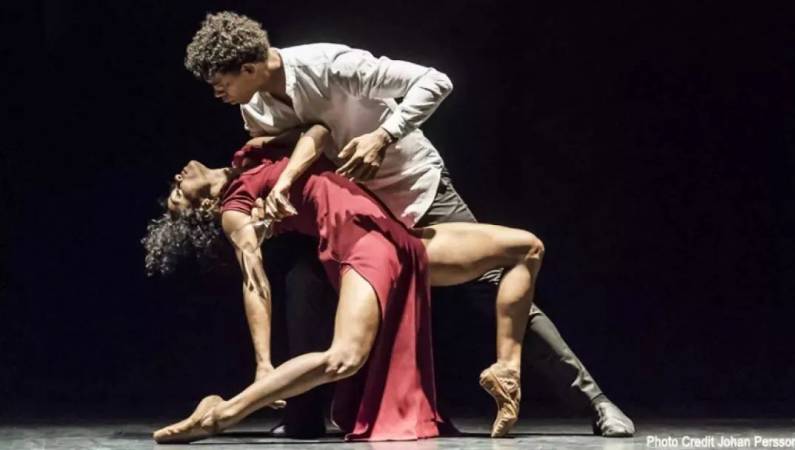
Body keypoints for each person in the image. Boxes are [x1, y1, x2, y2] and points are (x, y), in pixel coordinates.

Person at [183, 11, 634, 437]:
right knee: (305, 285)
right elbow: (301, 145)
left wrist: (383, 135)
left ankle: (594, 402)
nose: (216, 92)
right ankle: (302, 419)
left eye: (220, 82)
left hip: (415, 191)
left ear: (249, 68)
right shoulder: (255, 110)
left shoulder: (330, 65)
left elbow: (435, 80)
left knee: (496, 283)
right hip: (356, 219)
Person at [145, 126, 544, 443]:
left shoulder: (253, 153)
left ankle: (506, 370)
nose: (177, 178)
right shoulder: (235, 209)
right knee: (344, 357)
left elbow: (319, 131)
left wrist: (286, 172)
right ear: (206, 208)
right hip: (360, 243)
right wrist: (263, 361)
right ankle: (220, 414)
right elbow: (255, 283)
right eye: (179, 193)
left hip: (395, 234)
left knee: (526, 248)